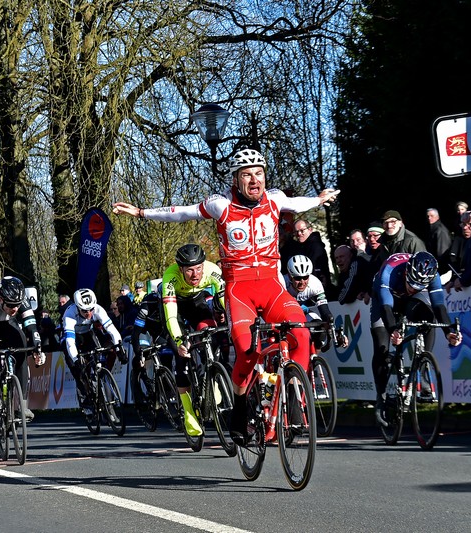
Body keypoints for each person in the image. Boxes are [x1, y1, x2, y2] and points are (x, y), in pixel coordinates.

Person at [113, 147, 340, 444]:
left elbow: (299, 204)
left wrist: (320, 199)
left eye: (259, 174)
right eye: (247, 175)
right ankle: (240, 408)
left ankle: (293, 396)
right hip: (239, 291)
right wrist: (142, 212)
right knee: (246, 352)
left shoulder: (274, 199)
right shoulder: (221, 205)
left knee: (301, 334)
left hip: (273, 287)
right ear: (236, 180)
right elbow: (182, 212)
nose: (254, 180)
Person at [370, 251, 462, 426]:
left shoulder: (432, 275)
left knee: (428, 319)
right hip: (384, 298)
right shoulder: (390, 270)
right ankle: (381, 396)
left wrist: (449, 331)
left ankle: (423, 366)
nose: (413, 287)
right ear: (407, 272)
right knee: (382, 345)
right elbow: (386, 307)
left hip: (408, 300)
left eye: (419, 285)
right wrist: (392, 330)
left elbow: (439, 306)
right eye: (411, 283)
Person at [161, 243, 226, 436]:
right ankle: (189, 413)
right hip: (175, 309)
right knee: (182, 357)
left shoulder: (213, 271)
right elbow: (171, 316)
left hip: (197, 302)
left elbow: (225, 301)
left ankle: (212, 379)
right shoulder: (170, 278)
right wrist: (180, 341)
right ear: (181, 269)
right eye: (189, 270)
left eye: (198, 268)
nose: (195, 274)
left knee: (211, 336)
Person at [0, 276, 43, 436]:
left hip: (8, 325)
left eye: (18, 305)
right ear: (0, 298)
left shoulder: (20, 299)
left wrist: (37, 348)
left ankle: (23, 406)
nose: (15, 309)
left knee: (23, 351)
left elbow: (32, 327)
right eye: (11, 305)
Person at [61, 288, 127, 415]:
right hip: (72, 338)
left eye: (91, 309)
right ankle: (86, 401)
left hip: (87, 334)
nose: (89, 313)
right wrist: (76, 359)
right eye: (85, 311)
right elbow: (70, 342)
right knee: (77, 369)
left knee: (98, 359)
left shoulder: (98, 309)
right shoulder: (69, 314)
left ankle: (105, 398)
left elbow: (112, 330)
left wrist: (119, 348)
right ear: (77, 307)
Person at [281, 218, 334, 296]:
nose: (299, 234)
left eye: (302, 230)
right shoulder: (299, 246)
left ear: (310, 230)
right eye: (296, 232)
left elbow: (314, 270)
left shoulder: (316, 247)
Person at [426, 208, 452, 274]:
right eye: (428, 216)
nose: (429, 218)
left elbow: (442, 252)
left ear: (437, 217)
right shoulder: (433, 229)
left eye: (432, 216)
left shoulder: (440, 230)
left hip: (441, 268)